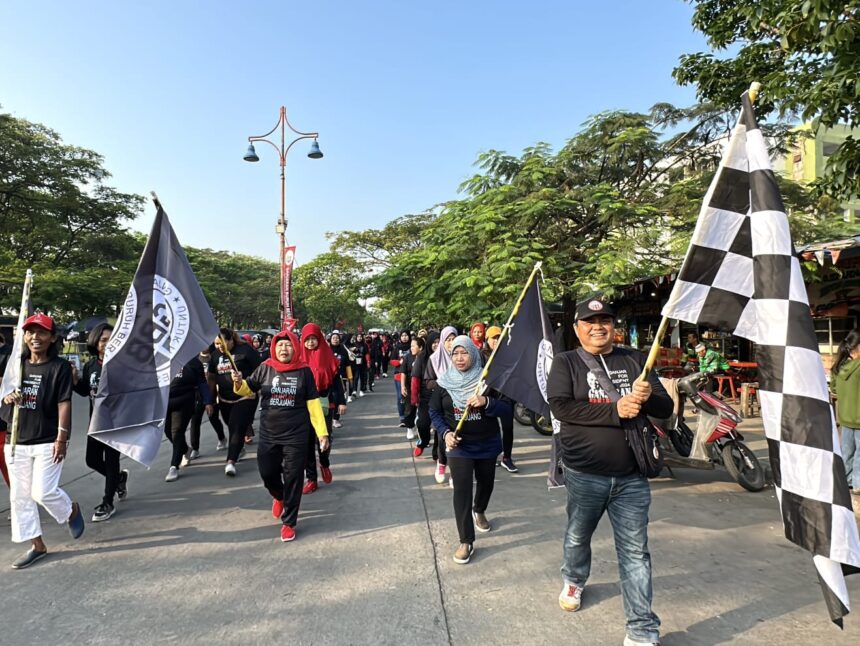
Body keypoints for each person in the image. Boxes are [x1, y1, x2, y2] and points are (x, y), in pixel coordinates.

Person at [547, 299, 672, 646]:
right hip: (584, 474)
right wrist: (616, 410)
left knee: (635, 553)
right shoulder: (566, 362)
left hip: (632, 477)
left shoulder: (635, 360)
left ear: (614, 325)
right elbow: (561, 406)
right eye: (590, 321)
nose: (597, 326)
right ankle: (574, 579)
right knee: (577, 536)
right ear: (577, 329)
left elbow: (666, 407)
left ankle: (642, 630)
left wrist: (647, 397)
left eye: (605, 320)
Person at [1, 314, 85, 569]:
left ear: (52, 338)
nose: (35, 337)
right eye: (30, 332)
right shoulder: (15, 364)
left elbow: (64, 402)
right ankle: (37, 545)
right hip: (16, 441)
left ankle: (70, 511)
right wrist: (8, 397)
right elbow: (2, 394)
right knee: (20, 497)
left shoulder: (59, 367)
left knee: (43, 492)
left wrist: (62, 437)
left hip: (47, 440)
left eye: (42, 333)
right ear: (23, 336)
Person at [231, 329, 330, 542]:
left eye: (288, 345)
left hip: (296, 435)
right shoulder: (266, 368)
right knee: (267, 472)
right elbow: (248, 389)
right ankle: (278, 495)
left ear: (295, 347)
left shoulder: (304, 371)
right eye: (279, 345)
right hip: (269, 433)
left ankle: (289, 522)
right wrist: (238, 382)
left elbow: (313, 405)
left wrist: (322, 434)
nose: (283, 349)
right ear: (274, 347)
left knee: (293, 477)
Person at [429, 335, 510, 564]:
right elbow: (434, 412)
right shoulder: (444, 383)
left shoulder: (487, 380)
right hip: (459, 447)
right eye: (455, 353)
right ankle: (466, 540)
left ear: (473, 354)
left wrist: (487, 403)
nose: (459, 357)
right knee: (461, 491)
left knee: (486, 484)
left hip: (487, 443)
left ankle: (480, 509)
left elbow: (506, 410)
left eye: (464, 352)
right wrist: (445, 433)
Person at [71, 323, 129, 521]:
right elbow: (86, 391)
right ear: (95, 343)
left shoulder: (123, 365)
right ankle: (119, 479)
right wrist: (75, 381)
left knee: (112, 463)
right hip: (95, 423)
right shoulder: (90, 366)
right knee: (92, 460)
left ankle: (108, 502)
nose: (107, 343)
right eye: (103, 340)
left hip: (115, 423)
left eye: (112, 339)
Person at [300, 323, 347, 494]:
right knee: (306, 443)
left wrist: (342, 402)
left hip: (324, 402)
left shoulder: (328, 356)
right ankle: (311, 478)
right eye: (307, 340)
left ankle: (325, 463)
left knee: (324, 439)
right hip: (303, 406)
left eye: (313, 339)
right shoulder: (298, 357)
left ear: (319, 339)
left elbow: (336, 382)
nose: (311, 343)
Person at [209, 328, 262, 476]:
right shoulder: (215, 356)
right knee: (232, 428)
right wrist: (211, 399)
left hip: (246, 396)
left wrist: (255, 387)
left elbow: (260, 370)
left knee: (236, 426)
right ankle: (238, 449)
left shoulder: (246, 350)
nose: (220, 347)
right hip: (225, 399)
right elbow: (211, 378)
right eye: (217, 344)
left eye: (222, 343)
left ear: (231, 340)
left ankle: (230, 462)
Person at [164, 355, 213, 482]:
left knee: (177, 432)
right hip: (165, 402)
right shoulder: (162, 358)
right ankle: (185, 449)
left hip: (185, 401)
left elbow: (202, 383)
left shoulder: (193, 362)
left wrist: (208, 402)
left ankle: (174, 466)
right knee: (168, 432)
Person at [483, 325, 518, 473]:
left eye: (499, 338)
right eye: (493, 338)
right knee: (490, 429)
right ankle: (492, 455)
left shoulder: (508, 354)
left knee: (508, 428)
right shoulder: (481, 355)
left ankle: (507, 457)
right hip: (488, 396)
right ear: (487, 340)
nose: (496, 341)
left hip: (505, 396)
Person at [426, 326, 457, 485]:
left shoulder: (461, 356)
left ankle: (455, 473)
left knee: (457, 439)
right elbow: (428, 381)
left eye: (453, 339)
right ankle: (441, 463)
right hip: (441, 404)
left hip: (459, 405)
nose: (451, 343)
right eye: (448, 340)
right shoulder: (434, 359)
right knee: (442, 437)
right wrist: (442, 383)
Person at [834, 328, 860, 495]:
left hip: (845, 418)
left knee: (847, 452)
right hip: (859, 418)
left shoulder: (839, 366)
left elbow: (834, 388)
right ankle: (858, 484)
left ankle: (844, 482)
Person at [189, 346, 227, 454]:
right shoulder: (194, 359)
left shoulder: (214, 357)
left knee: (213, 418)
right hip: (198, 394)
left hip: (212, 392)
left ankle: (222, 438)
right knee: (195, 420)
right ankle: (195, 448)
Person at [411, 331, 438, 457]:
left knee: (439, 426)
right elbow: (415, 378)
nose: (437, 345)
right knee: (423, 423)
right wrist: (414, 397)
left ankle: (437, 453)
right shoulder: (422, 357)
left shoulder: (445, 356)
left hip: (440, 396)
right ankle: (423, 442)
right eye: (434, 342)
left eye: (439, 342)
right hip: (425, 396)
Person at [399, 336, 423, 440]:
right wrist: (403, 386)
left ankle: (421, 430)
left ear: (420, 347)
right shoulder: (407, 357)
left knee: (422, 410)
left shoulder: (425, 357)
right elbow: (403, 373)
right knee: (409, 409)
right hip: (409, 387)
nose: (411, 348)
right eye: (411, 346)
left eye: (413, 346)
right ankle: (409, 428)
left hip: (423, 387)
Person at [329, 331, 353, 428]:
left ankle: (336, 419)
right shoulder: (327, 350)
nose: (335, 340)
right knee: (331, 398)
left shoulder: (343, 349)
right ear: (330, 340)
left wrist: (350, 377)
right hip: (330, 378)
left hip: (341, 377)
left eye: (337, 338)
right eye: (333, 338)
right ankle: (329, 417)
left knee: (339, 398)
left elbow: (347, 364)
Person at [390, 330, 411, 426]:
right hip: (398, 374)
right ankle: (402, 418)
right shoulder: (396, 348)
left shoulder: (412, 346)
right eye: (402, 335)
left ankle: (410, 417)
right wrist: (399, 362)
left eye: (406, 335)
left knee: (410, 397)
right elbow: (392, 361)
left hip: (411, 375)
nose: (404, 337)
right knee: (400, 397)